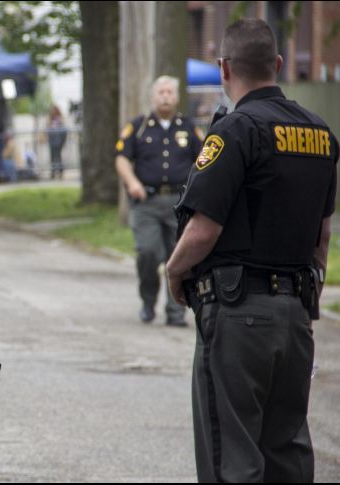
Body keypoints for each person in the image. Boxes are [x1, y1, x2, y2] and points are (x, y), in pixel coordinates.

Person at [167, 19, 338, 482]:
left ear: (224, 69)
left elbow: (203, 229)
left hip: (239, 313)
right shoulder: (321, 134)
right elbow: (322, 236)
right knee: (287, 450)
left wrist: (173, 270)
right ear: (278, 65)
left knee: (234, 458)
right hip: (296, 314)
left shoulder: (234, 131)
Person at [115, 75, 204, 326]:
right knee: (148, 252)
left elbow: (204, 160)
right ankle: (147, 300)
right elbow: (121, 157)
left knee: (178, 256)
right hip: (147, 202)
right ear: (153, 97)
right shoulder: (139, 126)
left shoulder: (188, 127)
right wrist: (132, 183)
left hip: (179, 203)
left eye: (169, 92)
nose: (165, 96)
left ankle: (176, 312)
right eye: (161, 92)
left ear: (176, 98)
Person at [47, 104, 67, 179]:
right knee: (52, 157)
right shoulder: (50, 119)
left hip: (58, 141)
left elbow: (63, 131)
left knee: (58, 156)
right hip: (52, 141)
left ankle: (60, 171)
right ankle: (53, 172)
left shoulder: (59, 119)